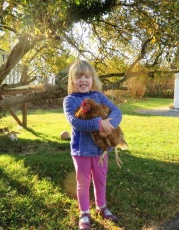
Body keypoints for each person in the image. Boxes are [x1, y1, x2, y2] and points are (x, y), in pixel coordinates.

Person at [63, 60, 122, 230]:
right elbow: (75, 122)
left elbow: (117, 111)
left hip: (101, 150)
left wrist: (110, 124)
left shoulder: (99, 96)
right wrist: (99, 124)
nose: (83, 80)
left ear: (92, 79)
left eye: (87, 76)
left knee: (100, 180)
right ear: (72, 81)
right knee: (82, 183)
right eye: (79, 76)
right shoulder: (70, 100)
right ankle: (84, 213)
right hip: (81, 150)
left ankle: (101, 207)